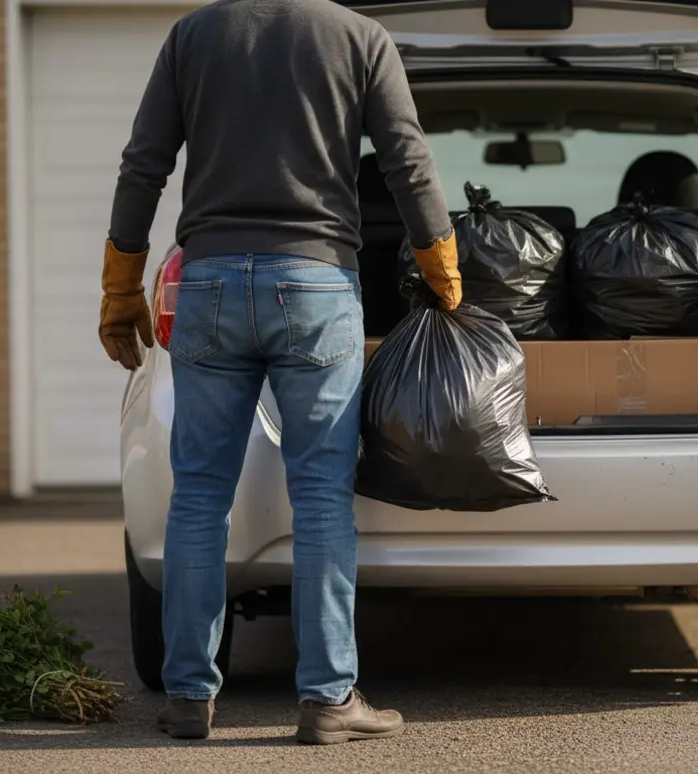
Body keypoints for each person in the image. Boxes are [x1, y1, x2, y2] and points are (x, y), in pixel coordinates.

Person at [96, 0, 461, 745]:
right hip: (317, 284)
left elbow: (144, 162)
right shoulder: (359, 37)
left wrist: (121, 283)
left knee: (200, 493)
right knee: (321, 493)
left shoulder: (193, 35)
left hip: (208, 284)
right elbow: (405, 156)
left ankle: (187, 695)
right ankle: (328, 698)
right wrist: (441, 266)